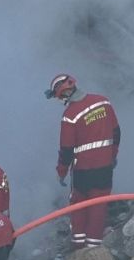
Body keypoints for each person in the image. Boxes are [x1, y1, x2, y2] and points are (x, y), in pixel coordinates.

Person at [47, 73, 120, 250]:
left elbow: (66, 150)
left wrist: (61, 172)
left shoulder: (70, 115)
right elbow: (116, 133)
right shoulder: (103, 102)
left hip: (83, 172)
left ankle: (78, 244)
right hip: (105, 168)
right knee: (98, 206)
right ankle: (94, 247)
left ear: (63, 95)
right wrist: (112, 156)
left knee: (78, 204)